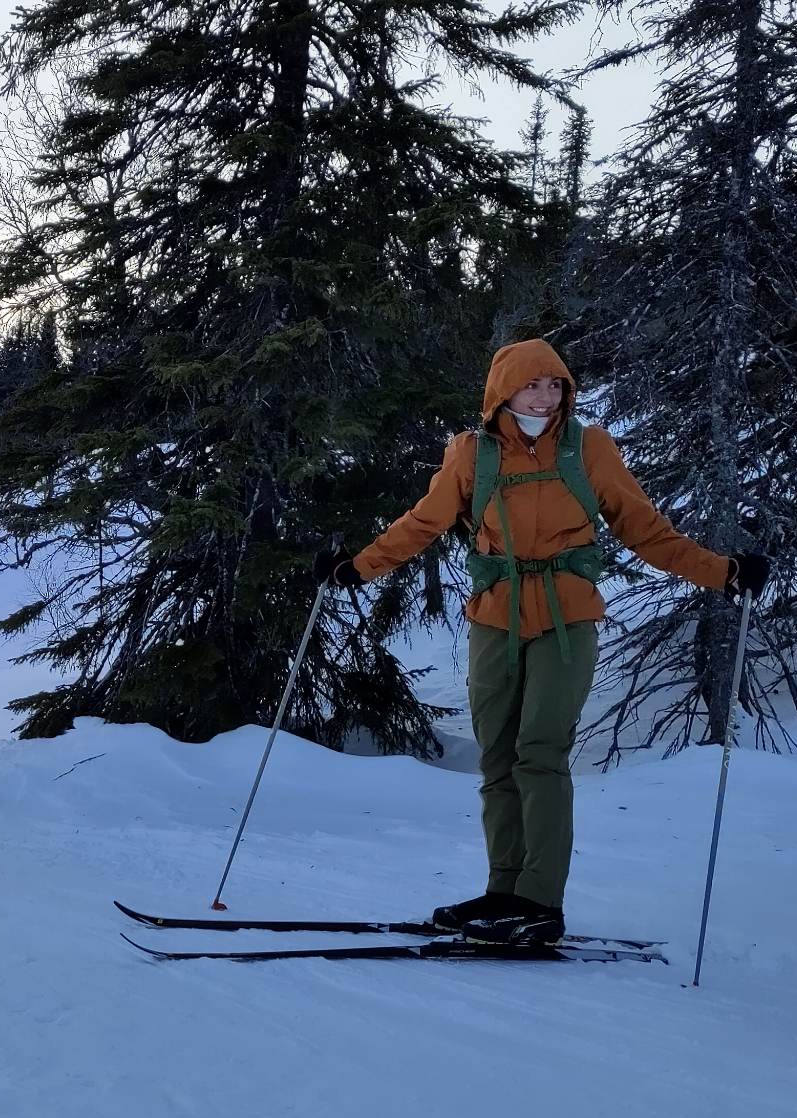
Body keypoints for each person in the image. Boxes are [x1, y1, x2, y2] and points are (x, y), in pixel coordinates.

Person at [312, 338, 769, 946]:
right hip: (494, 618)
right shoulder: (472, 454)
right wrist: (357, 569)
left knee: (541, 752)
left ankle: (540, 902)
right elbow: (423, 523)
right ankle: (504, 890)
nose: (546, 397)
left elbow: (644, 529)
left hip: (566, 618)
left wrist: (723, 572)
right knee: (497, 757)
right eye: (534, 385)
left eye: (556, 385)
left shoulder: (590, 449)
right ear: (504, 391)